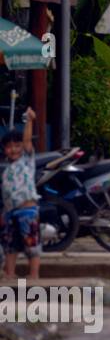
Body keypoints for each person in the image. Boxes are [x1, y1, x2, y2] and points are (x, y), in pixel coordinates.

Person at [2, 108, 41, 279]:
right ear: (4, 150)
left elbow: (26, 141)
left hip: (28, 211)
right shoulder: (6, 170)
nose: (13, 149)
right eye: (9, 147)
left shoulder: (27, 160)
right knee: (10, 246)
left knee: (31, 244)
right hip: (11, 213)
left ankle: (34, 274)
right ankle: (10, 273)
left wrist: (29, 121)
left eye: (16, 146)